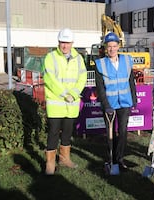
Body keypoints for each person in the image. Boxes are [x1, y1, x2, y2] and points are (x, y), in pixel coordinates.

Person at [43, 28, 87, 175]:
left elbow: (82, 78)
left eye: (67, 43)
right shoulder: (51, 57)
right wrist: (64, 94)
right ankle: (50, 164)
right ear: (58, 42)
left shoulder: (79, 58)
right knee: (53, 133)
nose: (65, 46)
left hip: (71, 104)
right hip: (56, 104)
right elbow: (50, 79)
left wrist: (73, 94)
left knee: (67, 133)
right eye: (62, 42)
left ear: (72, 43)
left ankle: (64, 159)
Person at [94, 32, 137, 170]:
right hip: (110, 104)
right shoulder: (100, 64)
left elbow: (131, 82)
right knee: (110, 133)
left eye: (114, 46)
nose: (112, 49)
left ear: (118, 46)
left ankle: (119, 158)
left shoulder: (127, 60)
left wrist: (134, 99)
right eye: (109, 46)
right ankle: (110, 159)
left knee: (123, 132)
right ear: (106, 48)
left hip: (125, 102)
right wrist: (106, 105)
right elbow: (100, 88)